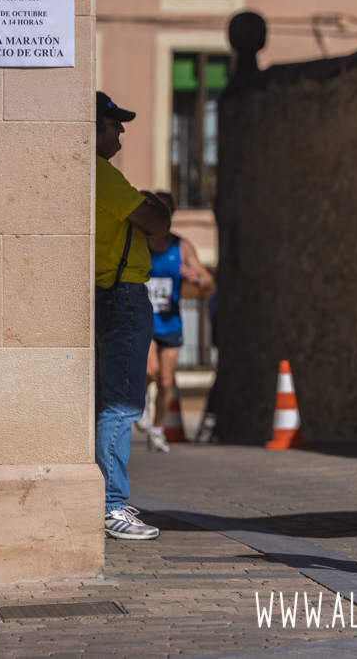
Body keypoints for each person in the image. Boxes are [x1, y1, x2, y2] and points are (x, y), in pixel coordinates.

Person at [95, 92, 171, 540]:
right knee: (122, 405)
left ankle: (109, 498)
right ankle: (111, 505)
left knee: (112, 402)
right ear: (93, 127)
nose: (121, 131)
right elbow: (158, 223)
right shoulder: (102, 174)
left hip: (113, 293)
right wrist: (152, 204)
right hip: (123, 296)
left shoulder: (96, 174)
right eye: (112, 124)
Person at [144, 192, 216, 452]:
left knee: (166, 381)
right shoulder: (140, 243)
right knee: (149, 371)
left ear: (170, 215)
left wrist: (195, 277)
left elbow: (208, 281)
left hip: (171, 322)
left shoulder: (181, 247)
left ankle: (157, 429)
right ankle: (140, 405)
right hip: (146, 321)